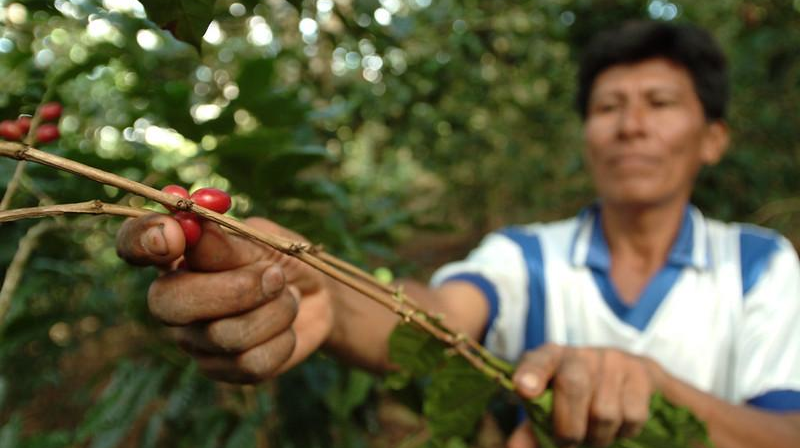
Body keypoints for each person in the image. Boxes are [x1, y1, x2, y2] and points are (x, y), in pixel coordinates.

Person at [116, 20, 800, 447]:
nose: (630, 126)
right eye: (608, 107)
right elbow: (435, 319)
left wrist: (657, 387)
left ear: (713, 139)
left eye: (660, 104)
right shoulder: (527, 257)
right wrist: (322, 292)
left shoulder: (760, 265)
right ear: (586, 134)